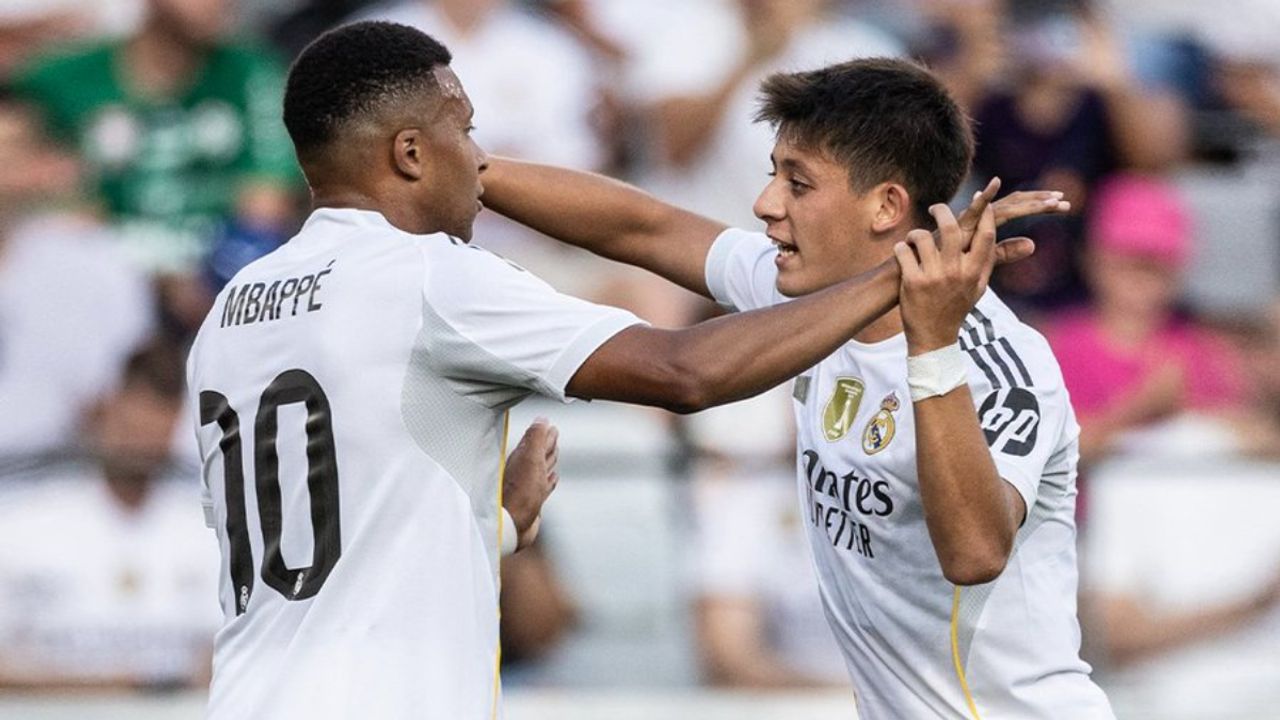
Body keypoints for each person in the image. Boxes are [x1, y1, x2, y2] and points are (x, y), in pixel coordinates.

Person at [185, 23, 1035, 720]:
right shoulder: (433, 279)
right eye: (466, 133)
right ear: (410, 153)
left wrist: (493, 530)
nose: (481, 159)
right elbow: (683, 372)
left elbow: (327, 547)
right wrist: (906, 274)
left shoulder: (233, 309)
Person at [481, 58, 1113, 717]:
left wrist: (930, 347)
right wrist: (469, 170)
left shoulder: (1001, 362)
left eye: (798, 183)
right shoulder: (807, 299)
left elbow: (975, 553)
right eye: (772, 174)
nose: (766, 204)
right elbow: (643, 226)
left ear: (886, 206)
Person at [0, 340, 220, 689]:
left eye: (153, 431)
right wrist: (114, 687)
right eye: (131, 427)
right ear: (106, 411)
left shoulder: (209, 534)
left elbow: (232, 657)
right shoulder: (21, 526)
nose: (139, 444)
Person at [1045, 174, 1247, 464]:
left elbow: (1256, 437)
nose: (1141, 274)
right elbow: (1042, 450)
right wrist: (1140, 411)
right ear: (1092, 259)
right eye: (1127, 260)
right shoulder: (1056, 348)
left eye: (1157, 263)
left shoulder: (1204, 353)